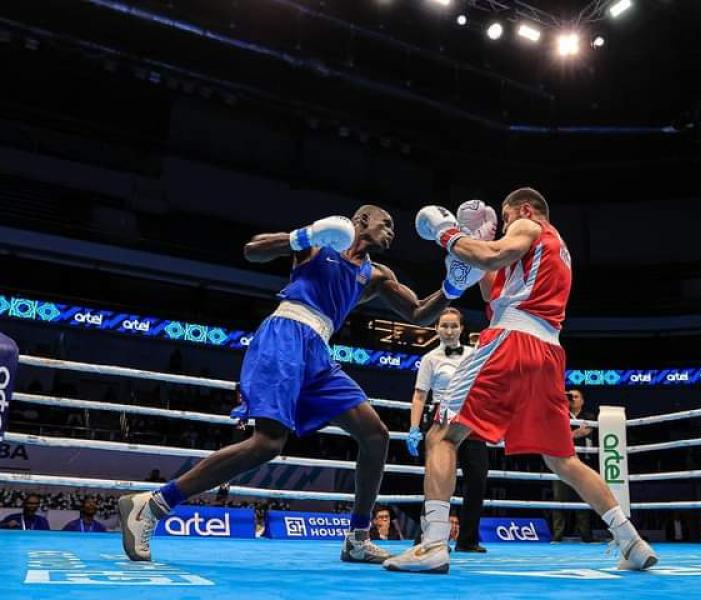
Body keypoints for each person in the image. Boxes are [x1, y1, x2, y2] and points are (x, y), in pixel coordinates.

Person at [119, 205, 474, 564]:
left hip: (319, 351)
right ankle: (152, 505)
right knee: (267, 442)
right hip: (285, 335)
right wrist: (303, 235)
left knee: (375, 435)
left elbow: (417, 312)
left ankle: (357, 537)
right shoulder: (321, 245)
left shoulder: (377, 274)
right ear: (362, 221)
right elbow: (252, 250)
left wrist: (452, 286)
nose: (392, 232)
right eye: (387, 223)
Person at [385, 189, 658, 573]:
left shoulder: (531, 226)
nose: (506, 224)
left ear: (526, 210)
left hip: (510, 341)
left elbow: (493, 256)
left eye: (506, 215)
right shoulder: (555, 253)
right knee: (563, 459)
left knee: (442, 435)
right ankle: (631, 540)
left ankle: (431, 544)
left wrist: (446, 233)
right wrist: (476, 242)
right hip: (548, 355)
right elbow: (491, 283)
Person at [407, 307, 489, 553]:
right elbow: (420, 395)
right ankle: (428, 537)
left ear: (462, 329)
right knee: (437, 478)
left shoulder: (475, 355)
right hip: (441, 420)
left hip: (470, 420)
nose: (449, 330)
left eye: (454, 326)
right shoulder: (430, 358)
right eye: (444, 326)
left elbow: (484, 389)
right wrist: (413, 427)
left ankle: (468, 539)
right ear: (436, 329)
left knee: (477, 479)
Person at [551, 389, 594, 543]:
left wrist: (569, 434)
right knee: (559, 499)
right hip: (562, 461)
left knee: (583, 498)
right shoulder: (560, 414)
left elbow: (587, 431)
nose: (572, 399)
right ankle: (557, 536)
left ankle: (586, 536)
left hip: (583, 463)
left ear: (582, 401)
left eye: (575, 397)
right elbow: (556, 434)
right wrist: (576, 433)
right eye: (569, 397)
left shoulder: (589, 416)